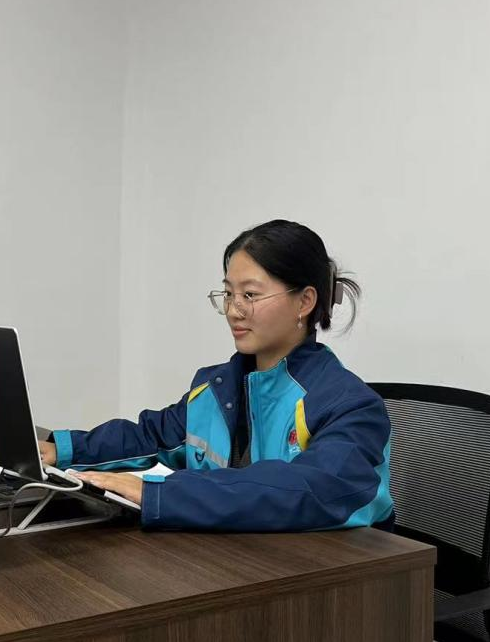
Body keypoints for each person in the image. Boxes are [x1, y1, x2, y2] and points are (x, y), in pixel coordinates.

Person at [40, 219, 394, 532]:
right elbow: (153, 438)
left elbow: (309, 490)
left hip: (333, 575)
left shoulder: (350, 406)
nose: (233, 310)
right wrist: (61, 451)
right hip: (238, 562)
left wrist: (161, 494)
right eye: (228, 294)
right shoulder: (216, 389)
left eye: (250, 295)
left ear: (304, 302)